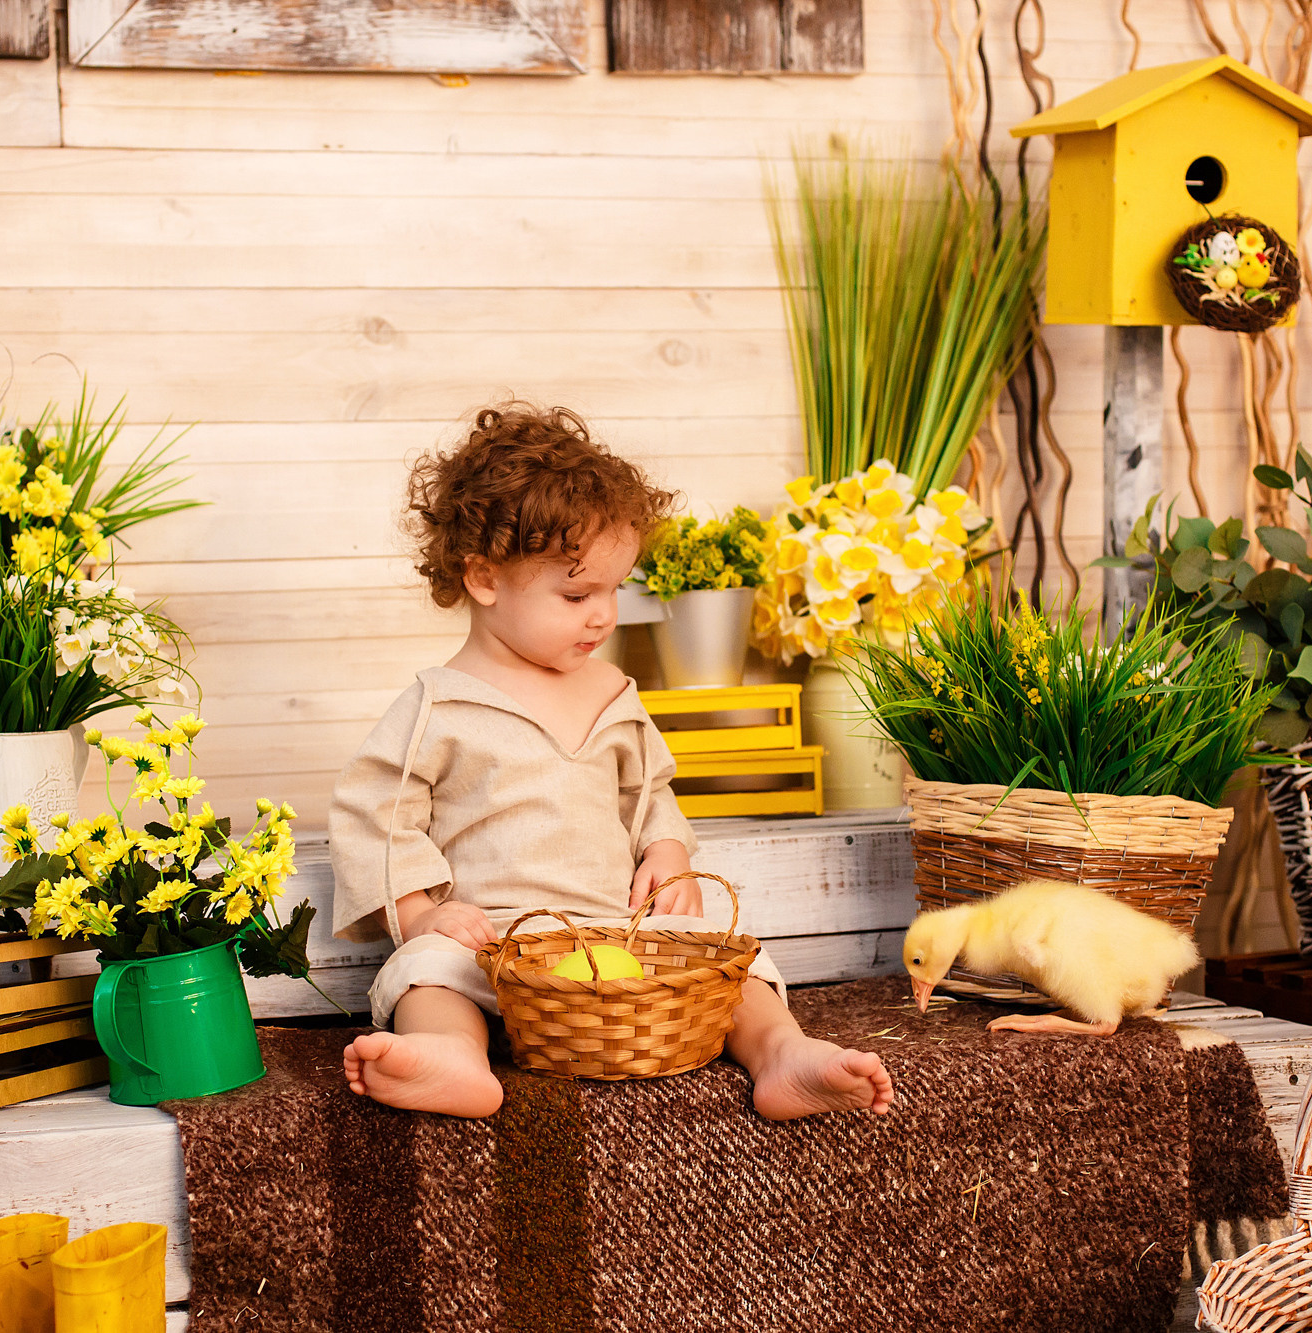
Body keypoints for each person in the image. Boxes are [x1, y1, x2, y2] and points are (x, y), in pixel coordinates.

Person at [328, 402, 896, 1120]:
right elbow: (374, 815)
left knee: (729, 963)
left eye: (614, 589)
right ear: (483, 577)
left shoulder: (614, 692)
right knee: (426, 976)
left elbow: (649, 789)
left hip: (621, 938)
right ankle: (452, 1056)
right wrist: (423, 912)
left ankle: (782, 1051)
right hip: (500, 943)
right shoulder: (442, 706)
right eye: (576, 593)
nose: (604, 615)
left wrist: (665, 849)